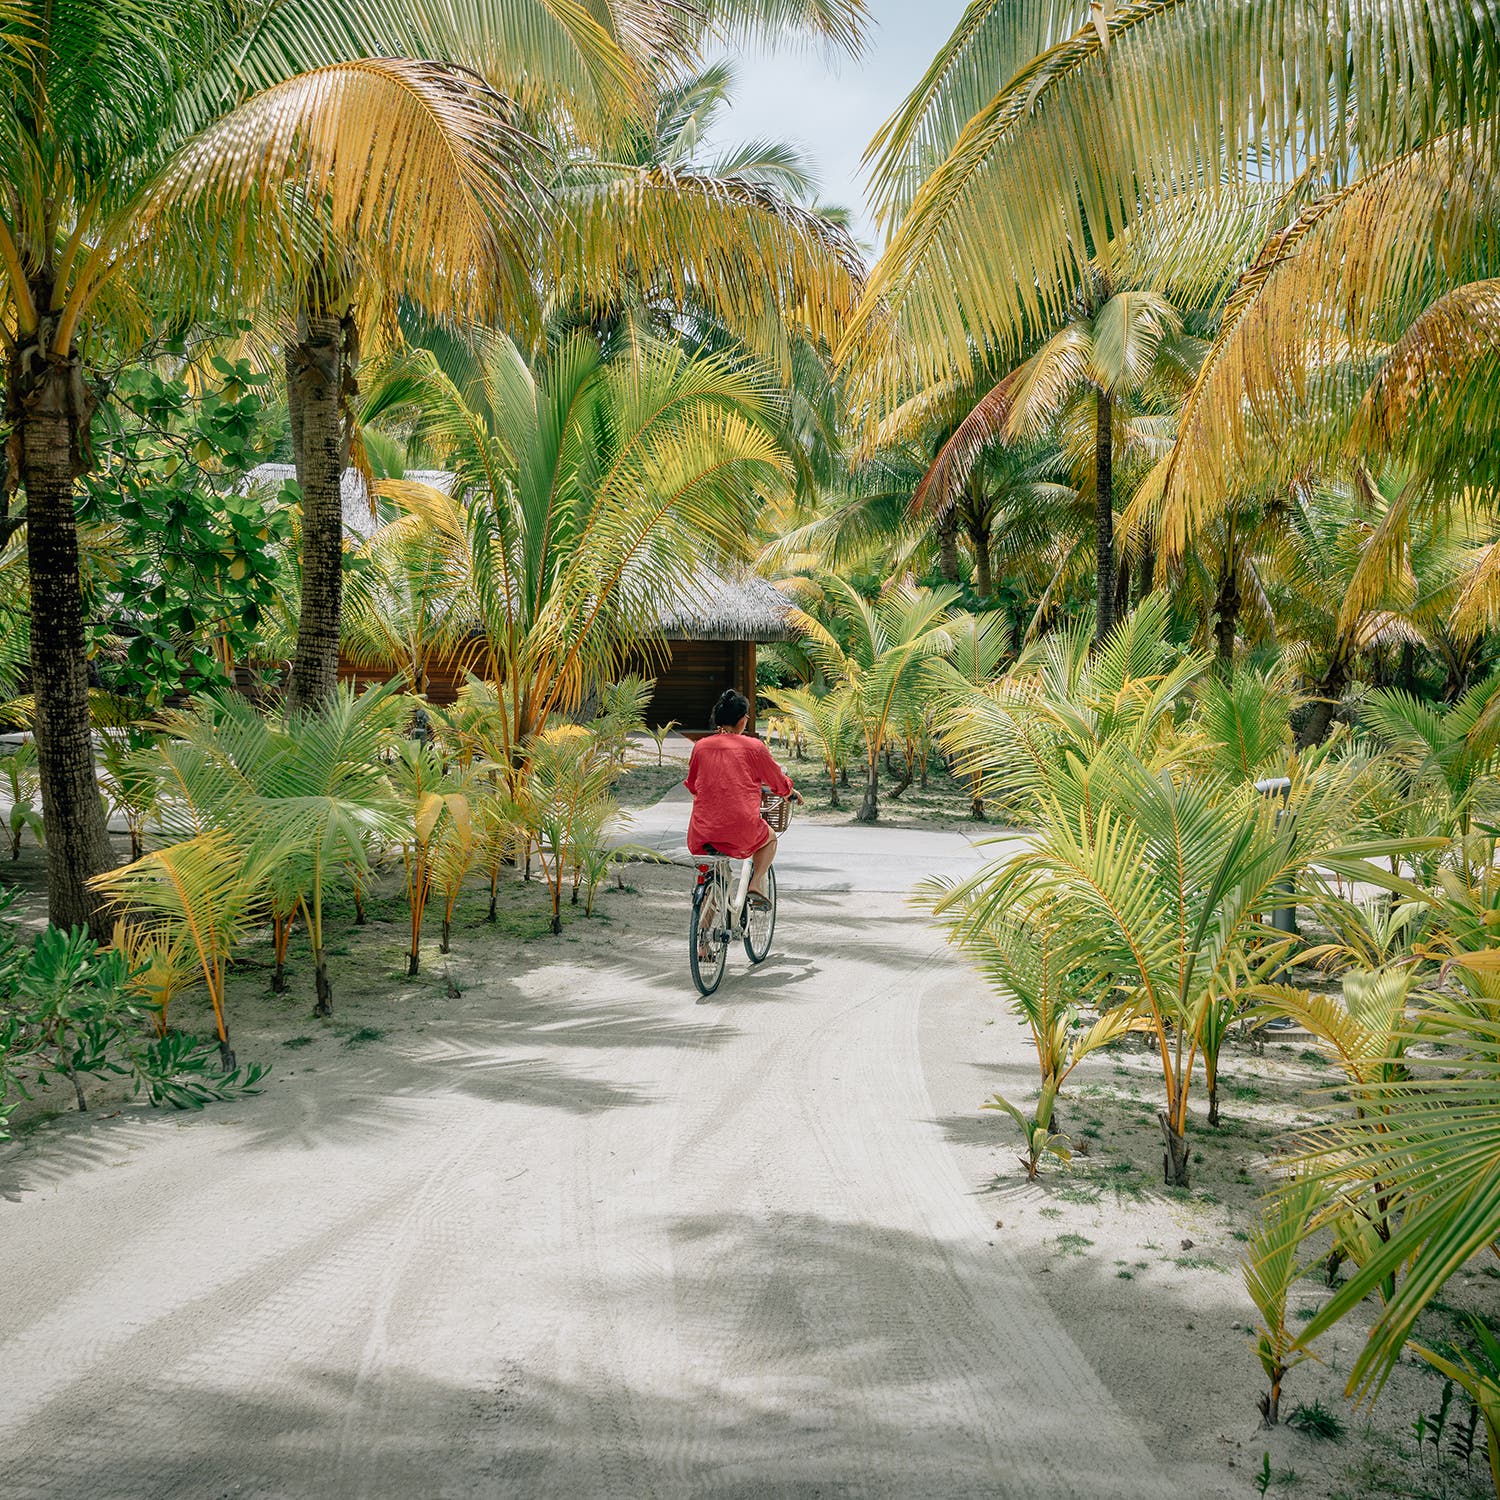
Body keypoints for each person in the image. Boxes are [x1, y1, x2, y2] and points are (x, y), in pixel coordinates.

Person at [685, 689, 803, 915]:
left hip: (702, 832)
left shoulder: (700, 746)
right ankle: (755, 884)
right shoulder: (754, 747)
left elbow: (692, 784)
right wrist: (790, 792)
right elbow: (777, 781)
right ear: (742, 720)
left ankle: (701, 935)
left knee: (713, 876)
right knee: (769, 839)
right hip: (740, 830)